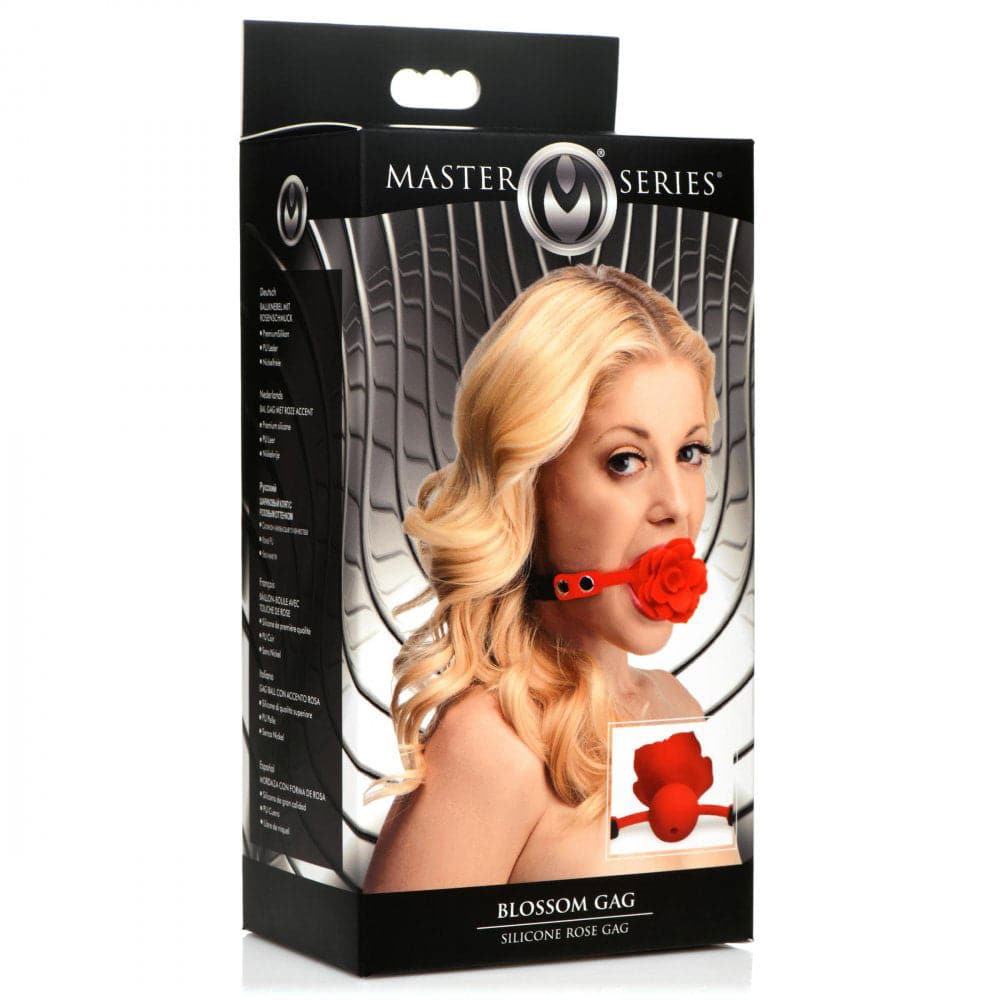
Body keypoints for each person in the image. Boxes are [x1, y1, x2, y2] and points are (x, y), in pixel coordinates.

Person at [362, 264, 741, 891]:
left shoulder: (675, 709)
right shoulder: (489, 747)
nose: (678, 505)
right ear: (531, 481)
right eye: (625, 461)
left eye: (690, 453)